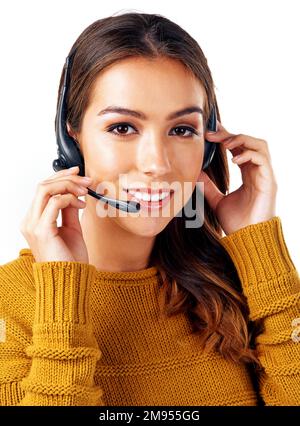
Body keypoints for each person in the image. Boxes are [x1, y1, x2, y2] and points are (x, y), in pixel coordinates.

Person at [0, 11, 299, 406]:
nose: (157, 163)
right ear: (72, 138)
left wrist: (259, 247)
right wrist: (61, 303)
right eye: (123, 128)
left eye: (181, 130)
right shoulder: (11, 302)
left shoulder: (232, 282)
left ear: (208, 144)